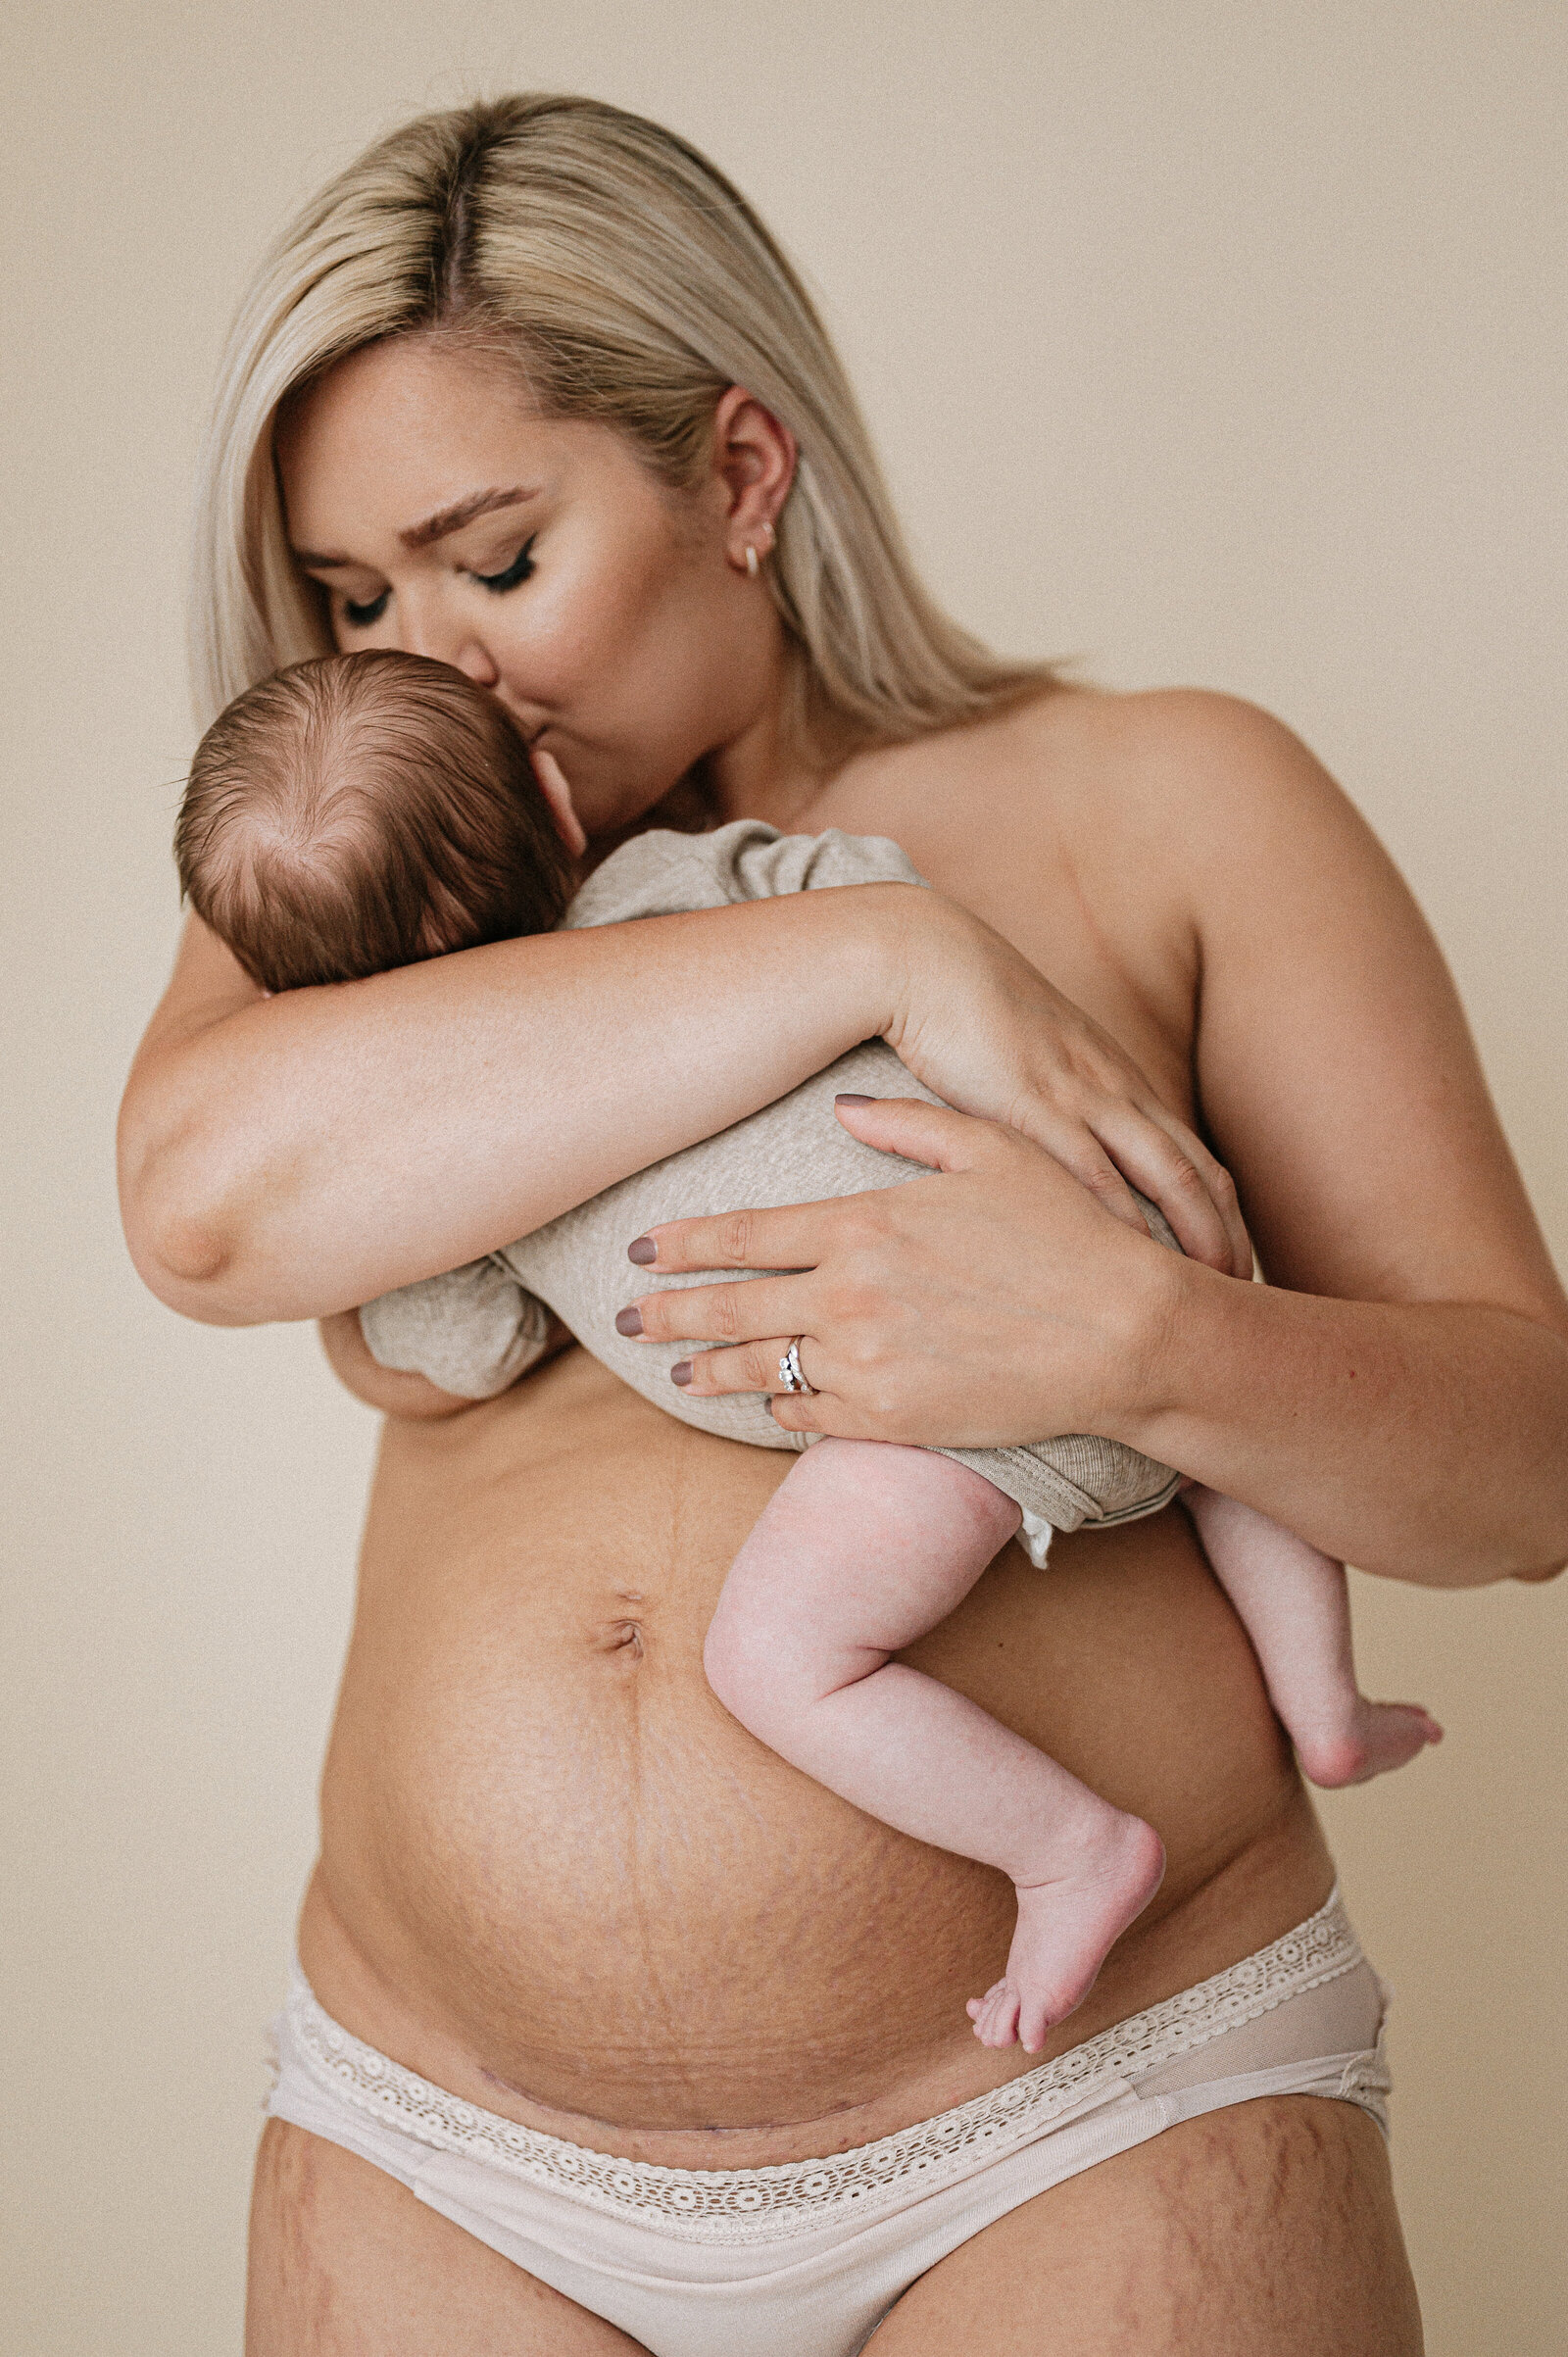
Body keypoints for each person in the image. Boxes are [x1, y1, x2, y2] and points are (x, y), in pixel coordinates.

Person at [116, 93, 1568, 2355]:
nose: (429, 668)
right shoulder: (385, 889)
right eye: (350, 600)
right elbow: (200, 1213)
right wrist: (866, 960)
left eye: (492, 560)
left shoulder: (1166, 798)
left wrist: (1144, 1345)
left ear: (736, 474)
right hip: (438, 2152)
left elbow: (1523, 1471)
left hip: (1094, 2118)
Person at [176, 646, 1442, 2053]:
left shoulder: (453, 1158)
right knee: (1214, 1422)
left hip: (939, 1417)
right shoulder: (702, 881)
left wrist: (381, 1290)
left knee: (777, 1657)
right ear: (549, 789)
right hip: (1090, 1240)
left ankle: (1068, 1847)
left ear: (313, 1006)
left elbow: (458, 1351)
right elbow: (856, 872)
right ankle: (1321, 1699)